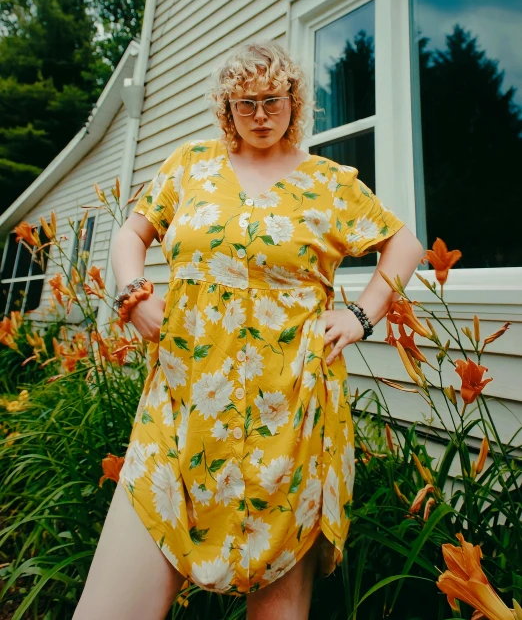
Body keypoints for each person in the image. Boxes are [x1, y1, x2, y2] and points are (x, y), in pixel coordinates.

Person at [73, 40, 425, 619]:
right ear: (226, 109)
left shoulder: (330, 182)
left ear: (295, 101)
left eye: (272, 100)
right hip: (182, 403)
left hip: (291, 413)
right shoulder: (189, 166)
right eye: (245, 103)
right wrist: (133, 294)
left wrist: (361, 316)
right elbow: (129, 234)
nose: (260, 114)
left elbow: (404, 244)